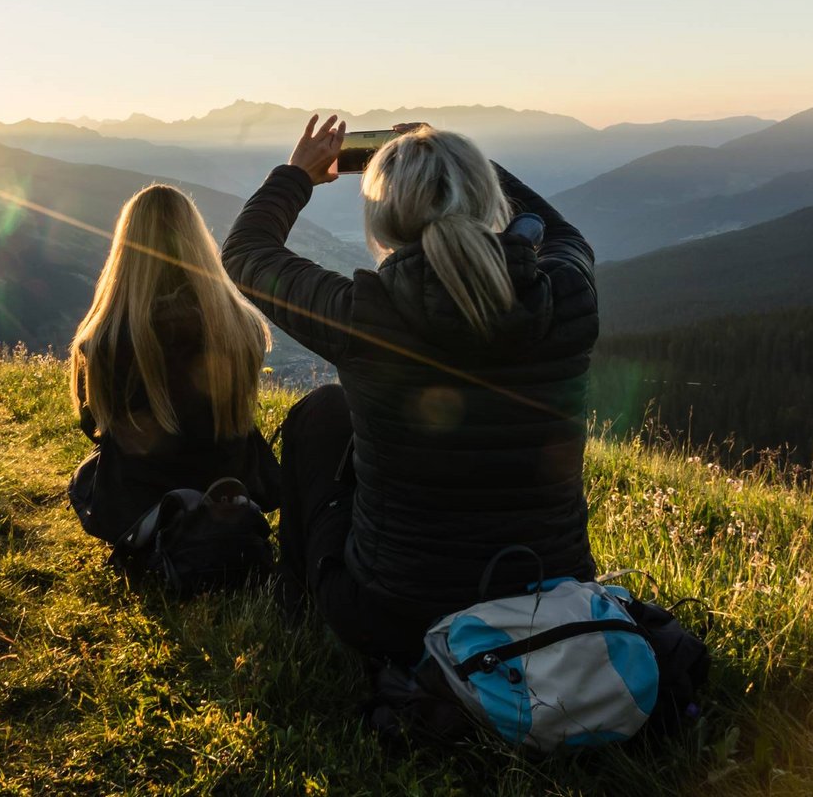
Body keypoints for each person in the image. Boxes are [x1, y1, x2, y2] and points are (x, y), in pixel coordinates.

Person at [222, 117, 598, 660]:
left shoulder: (366, 314)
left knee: (322, 413)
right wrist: (457, 164)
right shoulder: (566, 295)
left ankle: (294, 600)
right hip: (556, 600)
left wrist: (295, 175)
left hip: (399, 619)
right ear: (488, 199)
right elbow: (566, 235)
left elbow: (247, 252)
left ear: (385, 221)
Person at [68, 184, 282, 544]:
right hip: (228, 493)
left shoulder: (102, 340)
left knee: (86, 475)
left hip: (137, 509)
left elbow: (95, 426)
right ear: (198, 243)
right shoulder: (242, 328)